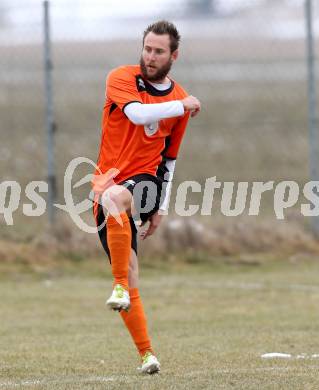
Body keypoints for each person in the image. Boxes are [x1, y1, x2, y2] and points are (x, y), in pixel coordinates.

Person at [92, 20, 201, 374]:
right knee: (130, 268)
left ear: (174, 55)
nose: (150, 57)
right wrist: (182, 105)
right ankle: (147, 355)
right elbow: (138, 114)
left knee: (114, 199)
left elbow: (170, 158)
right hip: (108, 182)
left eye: (158, 51)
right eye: (147, 49)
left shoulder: (178, 97)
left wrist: (162, 206)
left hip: (146, 181)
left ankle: (118, 287)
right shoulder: (120, 78)